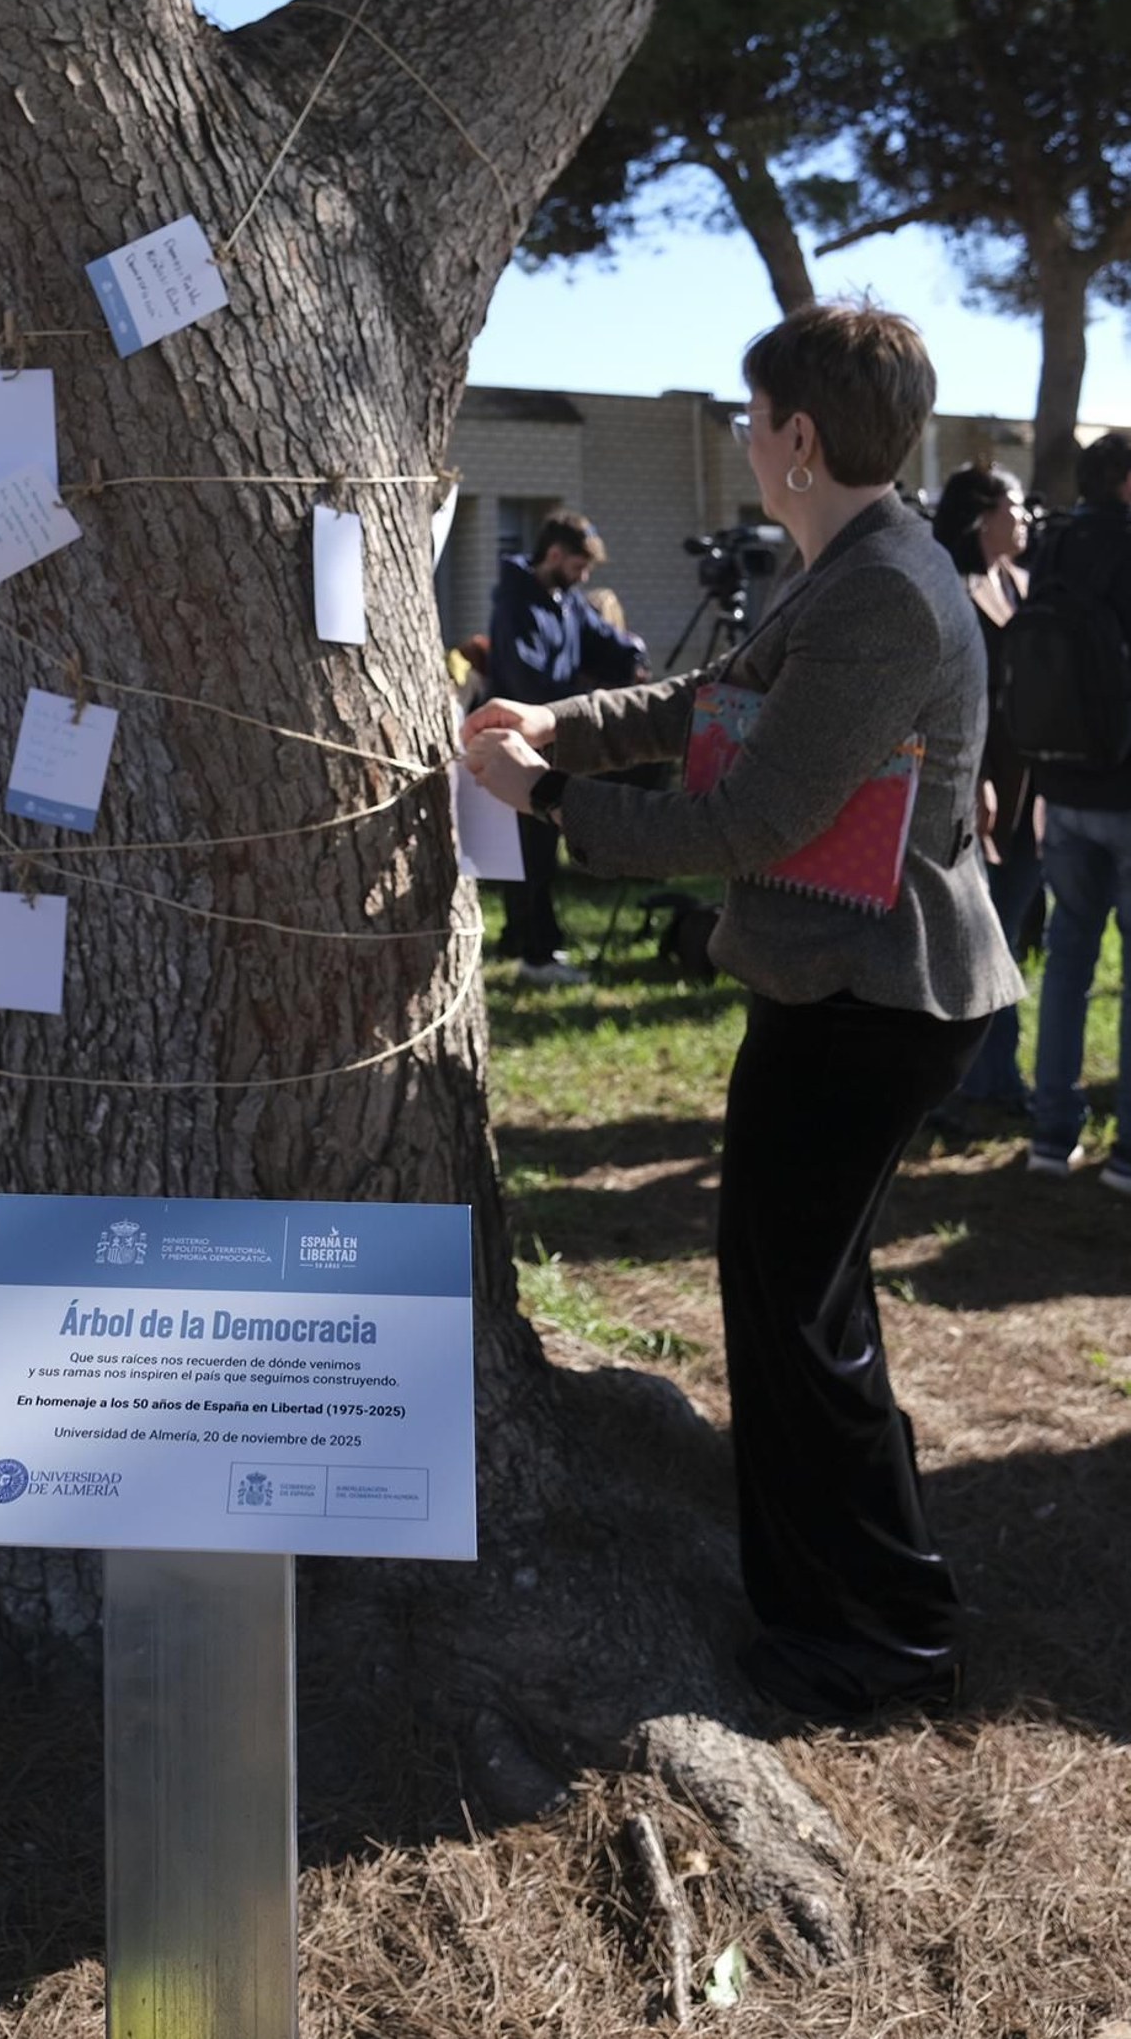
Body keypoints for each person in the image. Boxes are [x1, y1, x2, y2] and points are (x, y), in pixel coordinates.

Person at [463, 302, 1019, 1723]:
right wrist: (553, 727)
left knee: (796, 1318)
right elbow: (713, 702)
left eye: (748, 416)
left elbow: (751, 815)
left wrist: (547, 801)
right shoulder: (862, 561)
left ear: (798, 437)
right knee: (801, 1307)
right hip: (846, 992)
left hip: (871, 1000)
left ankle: (874, 1640)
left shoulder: (887, 588)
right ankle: (864, 1607)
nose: (741, 437)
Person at [1026, 431, 1131, 1190]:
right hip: (1128, 789)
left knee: (1067, 960)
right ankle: (1128, 1153)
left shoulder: (1053, 545)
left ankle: (1050, 1133)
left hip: (1061, 784)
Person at [486, 511, 645, 982]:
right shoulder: (515, 605)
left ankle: (529, 941)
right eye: (578, 566)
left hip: (553, 744)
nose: (583, 577)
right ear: (553, 554)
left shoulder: (566, 602)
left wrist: (632, 658)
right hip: (520, 746)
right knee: (530, 853)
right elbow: (526, 681)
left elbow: (607, 644)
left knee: (540, 851)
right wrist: (582, 694)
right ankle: (534, 952)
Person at [928, 463, 1040, 1122]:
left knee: (1008, 939)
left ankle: (997, 1077)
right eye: (1014, 507)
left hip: (1030, 789)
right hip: (973, 791)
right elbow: (948, 701)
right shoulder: (950, 587)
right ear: (979, 516)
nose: (1024, 518)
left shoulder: (1021, 582)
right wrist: (972, 781)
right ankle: (959, 1085)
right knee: (972, 942)